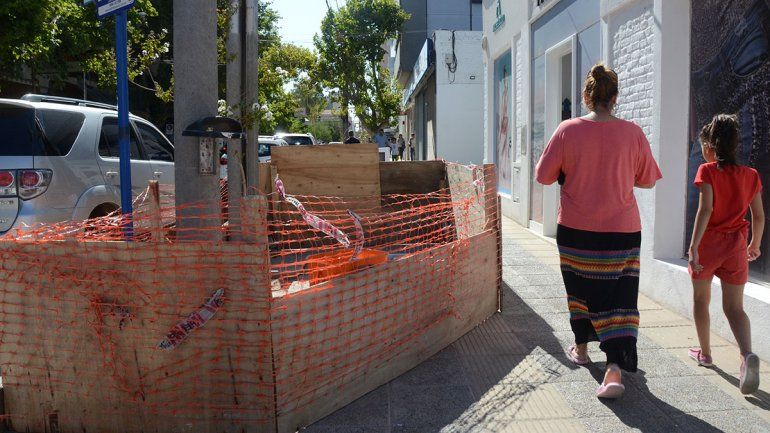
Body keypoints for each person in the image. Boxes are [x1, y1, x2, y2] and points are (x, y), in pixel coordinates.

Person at [535, 63, 662, 399]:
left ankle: (581, 349)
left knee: (580, 291)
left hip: (577, 231)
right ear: (615, 97)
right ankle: (615, 368)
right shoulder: (633, 132)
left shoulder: (567, 130)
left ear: (586, 96)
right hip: (622, 232)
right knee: (620, 297)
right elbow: (647, 179)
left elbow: (543, 176)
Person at [687, 114, 764, 395]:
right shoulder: (751, 175)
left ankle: (705, 353)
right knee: (735, 308)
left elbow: (705, 209)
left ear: (710, 145)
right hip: (736, 246)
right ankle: (746, 356)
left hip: (709, 244)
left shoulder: (707, 170)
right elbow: (758, 215)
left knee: (700, 299)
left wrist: (694, 246)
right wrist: (755, 243)